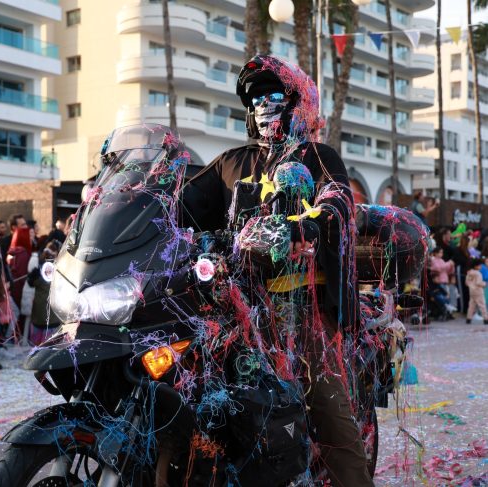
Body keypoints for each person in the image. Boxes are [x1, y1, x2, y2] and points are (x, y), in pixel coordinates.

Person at [182, 54, 372, 486]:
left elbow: (337, 198)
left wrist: (310, 222)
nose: (264, 106)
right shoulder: (231, 162)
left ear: (296, 104)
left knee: (327, 409)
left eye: (274, 97)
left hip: (300, 312)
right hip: (232, 310)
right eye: (256, 100)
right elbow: (182, 204)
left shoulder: (317, 155)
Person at [465, 258, 488, 325]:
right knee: (482, 305)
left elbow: (466, 282)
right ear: (475, 266)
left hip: (472, 291)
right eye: (479, 265)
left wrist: (471, 286)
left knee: (471, 305)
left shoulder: (469, 273)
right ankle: (486, 319)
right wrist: (485, 284)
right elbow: (478, 282)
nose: (481, 267)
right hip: (478, 291)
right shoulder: (478, 273)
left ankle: (468, 318)